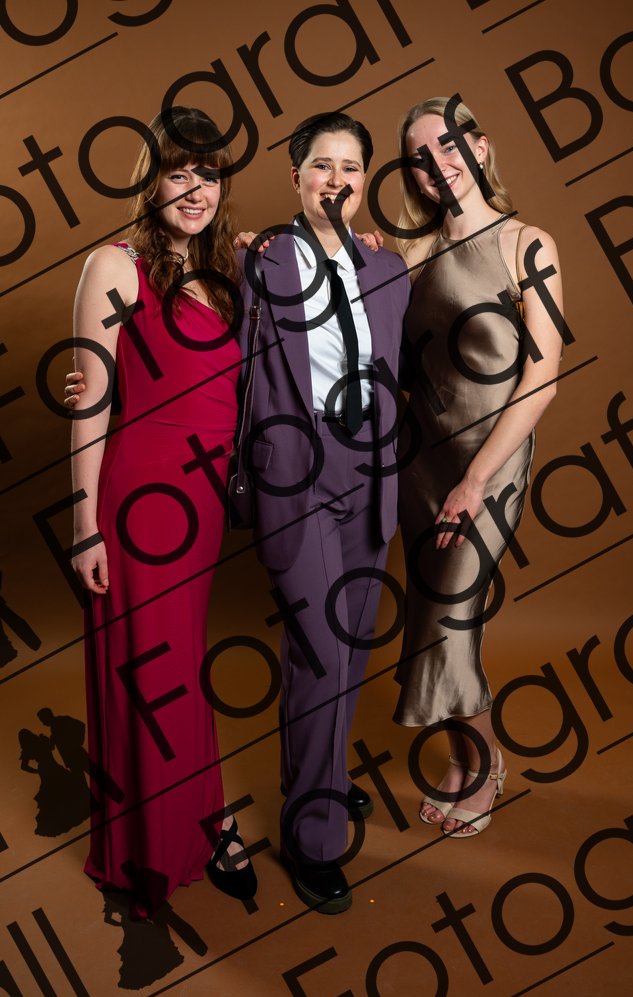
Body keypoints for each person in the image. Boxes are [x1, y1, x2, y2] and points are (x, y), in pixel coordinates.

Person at [67, 106, 256, 918]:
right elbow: (89, 404)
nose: (195, 190)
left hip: (202, 503)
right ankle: (160, 843)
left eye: (208, 175)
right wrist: (84, 526)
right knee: (151, 670)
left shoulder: (226, 272)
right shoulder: (114, 266)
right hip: (140, 499)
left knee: (181, 664)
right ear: (151, 182)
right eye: (179, 173)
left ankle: (199, 818)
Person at [233, 111, 410, 912]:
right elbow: (186, 318)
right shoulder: (257, 260)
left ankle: (325, 779)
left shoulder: (388, 268)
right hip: (297, 473)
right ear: (295, 177)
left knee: (352, 649)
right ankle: (313, 838)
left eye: (351, 168)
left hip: (373, 471)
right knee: (321, 653)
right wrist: (99, 381)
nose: (336, 180)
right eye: (320, 166)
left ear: (365, 180)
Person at [393, 96, 563, 836]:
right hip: (419, 462)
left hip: (489, 461)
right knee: (431, 617)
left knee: (451, 619)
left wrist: (474, 481)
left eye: (449, 145)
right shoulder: (411, 253)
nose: (438, 164)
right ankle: (464, 762)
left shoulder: (528, 244)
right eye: (419, 158)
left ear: (481, 147)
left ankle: (487, 763)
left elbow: (543, 376)